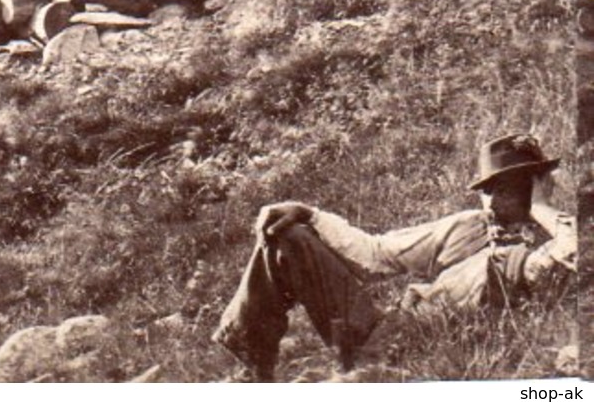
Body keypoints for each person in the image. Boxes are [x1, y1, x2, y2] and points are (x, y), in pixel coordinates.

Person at [213, 133, 575, 381]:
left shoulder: (555, 241)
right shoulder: (469, 225)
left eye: (507, 187)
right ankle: (253, 367)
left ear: (539, 183)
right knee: (289, 234)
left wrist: (541, 207)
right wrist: (310, 213)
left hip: (421, 358)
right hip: (383, 331)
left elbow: (573, 255)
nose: (492, 201)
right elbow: (377, 255)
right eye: (487, 190)